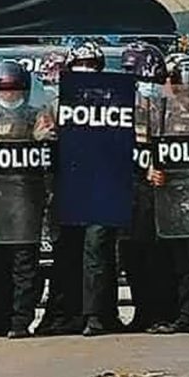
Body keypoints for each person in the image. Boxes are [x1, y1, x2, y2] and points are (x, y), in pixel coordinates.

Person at [37, 41, 123, 337]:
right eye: (80, 68)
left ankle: (98, 316)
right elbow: (42, 138)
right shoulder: (55, 104)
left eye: (92, 68)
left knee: (97, 251)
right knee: (68, 252)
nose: (87, 73)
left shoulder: (115, 102)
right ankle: (66, 314)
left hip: (103, 188)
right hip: (68, 188)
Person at [0, 61, 47, 339]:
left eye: (15, 88)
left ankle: (20, 321)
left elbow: (48, 145)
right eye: (3, 89)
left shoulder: (35, 116)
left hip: (25, 203)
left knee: (24, 266)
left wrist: (44, 136)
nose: (9, 94)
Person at [118, 42, 177, 333]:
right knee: (132, 254)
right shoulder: (120, 104)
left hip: (160, 192)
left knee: (158, 256)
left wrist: (160, 166)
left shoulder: (169, 102)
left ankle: (162, 313)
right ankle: (143, 312)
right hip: (130, 189)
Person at [151, 56, 189, 334]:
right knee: (180, 263)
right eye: (183, 89)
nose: (188, 95)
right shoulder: (164, 114)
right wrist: (153, 170)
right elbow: (153, 151)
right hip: (172, 200)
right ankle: (185, 314)